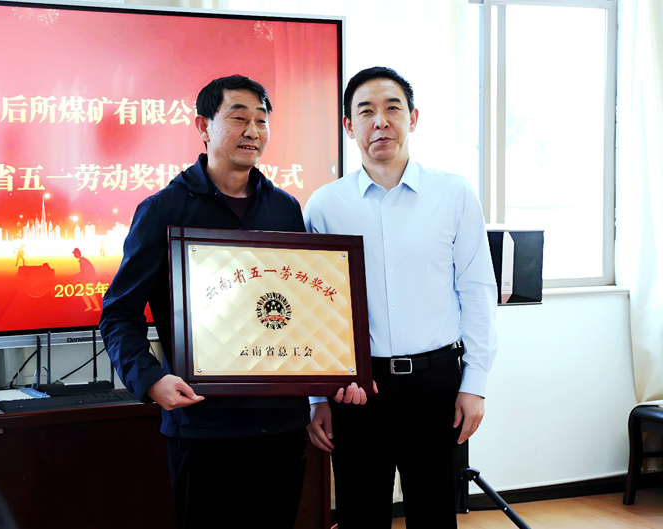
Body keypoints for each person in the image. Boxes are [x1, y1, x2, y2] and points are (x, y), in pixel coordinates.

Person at [99, 75, 311, 529]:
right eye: (238, 118)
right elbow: (119, 314)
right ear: (203, 126)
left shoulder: (286, 209)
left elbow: (301, 307)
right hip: (203, 422)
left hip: (281, 425)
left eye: (262, 120)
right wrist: (150, 379)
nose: (252, 131)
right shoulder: (164, 209)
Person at [303, 67, 498, 528]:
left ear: (413, 117)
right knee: (360, 513)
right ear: (349, 126)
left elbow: (476, 290)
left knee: (435, 514)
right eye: (366, 111)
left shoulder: (453, 193)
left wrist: (475, 383)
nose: (381, 121)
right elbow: (312, 312)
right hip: (356, 392)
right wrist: (316, 399)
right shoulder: (325, 205)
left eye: (392, 108)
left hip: (436, 384)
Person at [72, 247, 101, 311]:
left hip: (89, 281)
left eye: (74, 253)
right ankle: (91, 307)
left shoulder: (83, 261)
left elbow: (85, 272)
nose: (74, 255)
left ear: (77, 253)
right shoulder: (83, 260)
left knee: (90, 295)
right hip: (89, 280)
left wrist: (80, 280)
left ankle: (98, 308)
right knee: (85, 295)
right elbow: (83, 272)